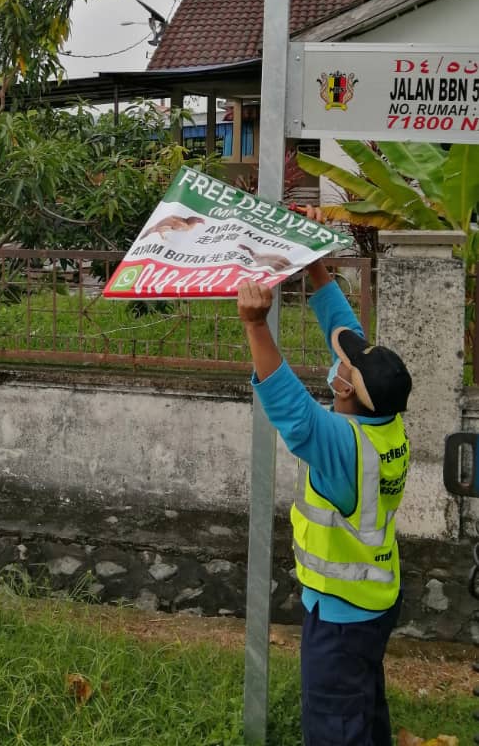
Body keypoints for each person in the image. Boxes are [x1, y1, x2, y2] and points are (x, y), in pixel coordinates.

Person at [236, 214, 412, 746]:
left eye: (348, 370)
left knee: (336, 724)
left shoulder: (343, 450)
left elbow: (289, 406)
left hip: (341, 615)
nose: (342, 363)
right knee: (364, 706)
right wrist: (316, 271)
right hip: (371, 603)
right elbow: (346, 335)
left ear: (349, 394)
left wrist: (255, 324)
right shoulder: (383, 424)